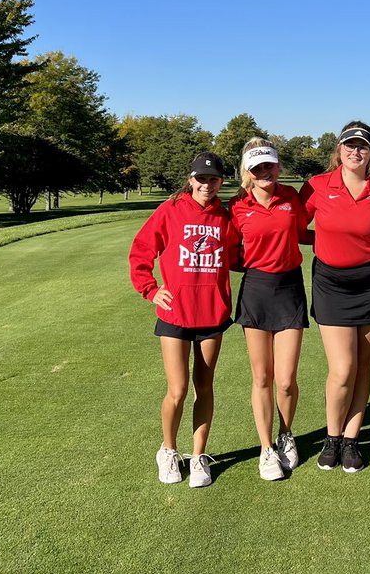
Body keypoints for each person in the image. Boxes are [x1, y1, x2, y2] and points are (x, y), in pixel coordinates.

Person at [128, 151, 240, 489]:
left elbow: (238, 254)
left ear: (222, 181)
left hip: (211, 313)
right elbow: (141, 250)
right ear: (190, 179)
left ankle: (199, 455)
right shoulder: (171, 209)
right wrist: (150, 289)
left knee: (204, 387)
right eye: (201, 179)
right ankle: (169, 449)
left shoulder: (225, 215)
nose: (207, 185)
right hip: (175, 313)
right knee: (177, 389)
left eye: (214, 179)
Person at [299, 121, 370, 473]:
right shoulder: (316, 186)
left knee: (364, 365)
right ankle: (333, 436)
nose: (356, 152)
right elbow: (297, 228)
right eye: (350, 145)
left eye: (363, 147)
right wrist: (325, 242)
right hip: (331, 283)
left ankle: (352, 439)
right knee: (343, 369)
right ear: (339, 149)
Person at [228, 137, 311, 480]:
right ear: (248, 171)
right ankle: (266, 449)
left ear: (279, 167)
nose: (265, 172)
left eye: (270, 165)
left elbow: (303, 233)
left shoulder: (291, 197)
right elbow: (231, 252)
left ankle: (285, 433)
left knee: (287, 380)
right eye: (257, 167)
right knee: (262, 376)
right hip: (257, 290)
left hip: (290, 288)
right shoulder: (236, 206)